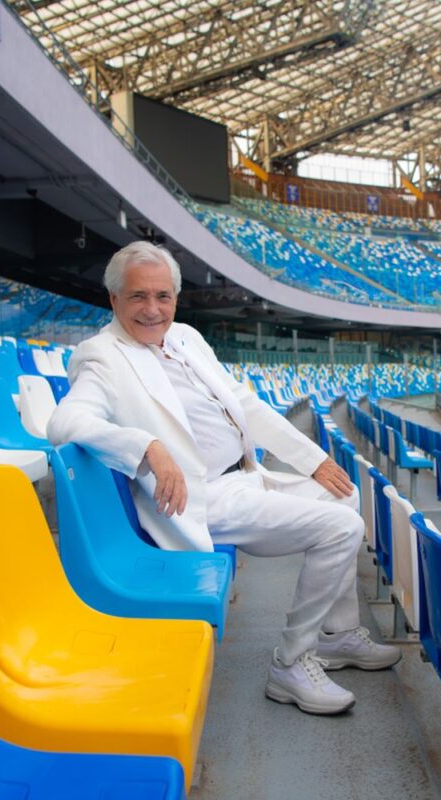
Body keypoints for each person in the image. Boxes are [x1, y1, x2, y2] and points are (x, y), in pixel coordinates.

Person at [47, 241, 400, 716]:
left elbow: (244, 402)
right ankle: (291, 664)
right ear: (113, 299)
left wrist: (311, 459)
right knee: (342, 527)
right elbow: (64, 424)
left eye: (163, 296)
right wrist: (146, 447)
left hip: (246, 476)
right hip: (204, 498)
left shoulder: (187, 338)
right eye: (137, 297)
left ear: (175, 297)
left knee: (342, 493)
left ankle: (337, 638)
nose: (153, 310)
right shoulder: (100, 357)